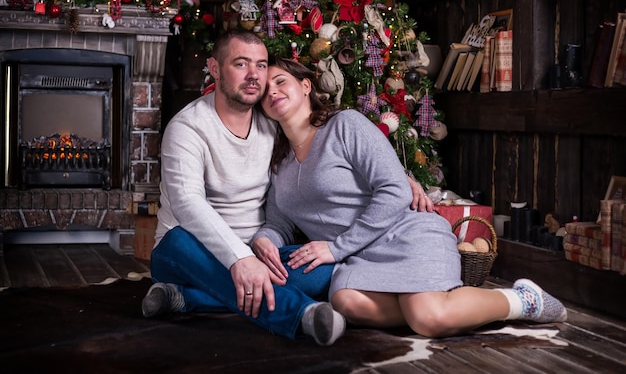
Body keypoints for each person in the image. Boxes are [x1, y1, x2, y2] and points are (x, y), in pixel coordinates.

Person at [141, 29, 430, 346]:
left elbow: (326, 136)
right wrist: (240, 260)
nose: (254, 76)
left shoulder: (271, 123)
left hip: (260, 255)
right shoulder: (187, 128)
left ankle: (187, 299)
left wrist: (401, 175)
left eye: (261, 65)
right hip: (190, 253)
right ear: (214, 68)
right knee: (178, 240)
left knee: (321, 267)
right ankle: (301, 314)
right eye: (240, 64)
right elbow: (187, 203)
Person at [251, 56, 567, 339]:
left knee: (428, 318)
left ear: (305, 86)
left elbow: (396, 190)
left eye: (281, 82)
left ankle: (521, 300)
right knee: (346, 301)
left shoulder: (345, 125)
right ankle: (442, 304)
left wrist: (336, 248)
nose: (273, 92)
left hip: (404, 234)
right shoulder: (280, 163)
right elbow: (278, 221)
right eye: (265, 91)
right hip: (360, 255)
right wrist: (265, 239)